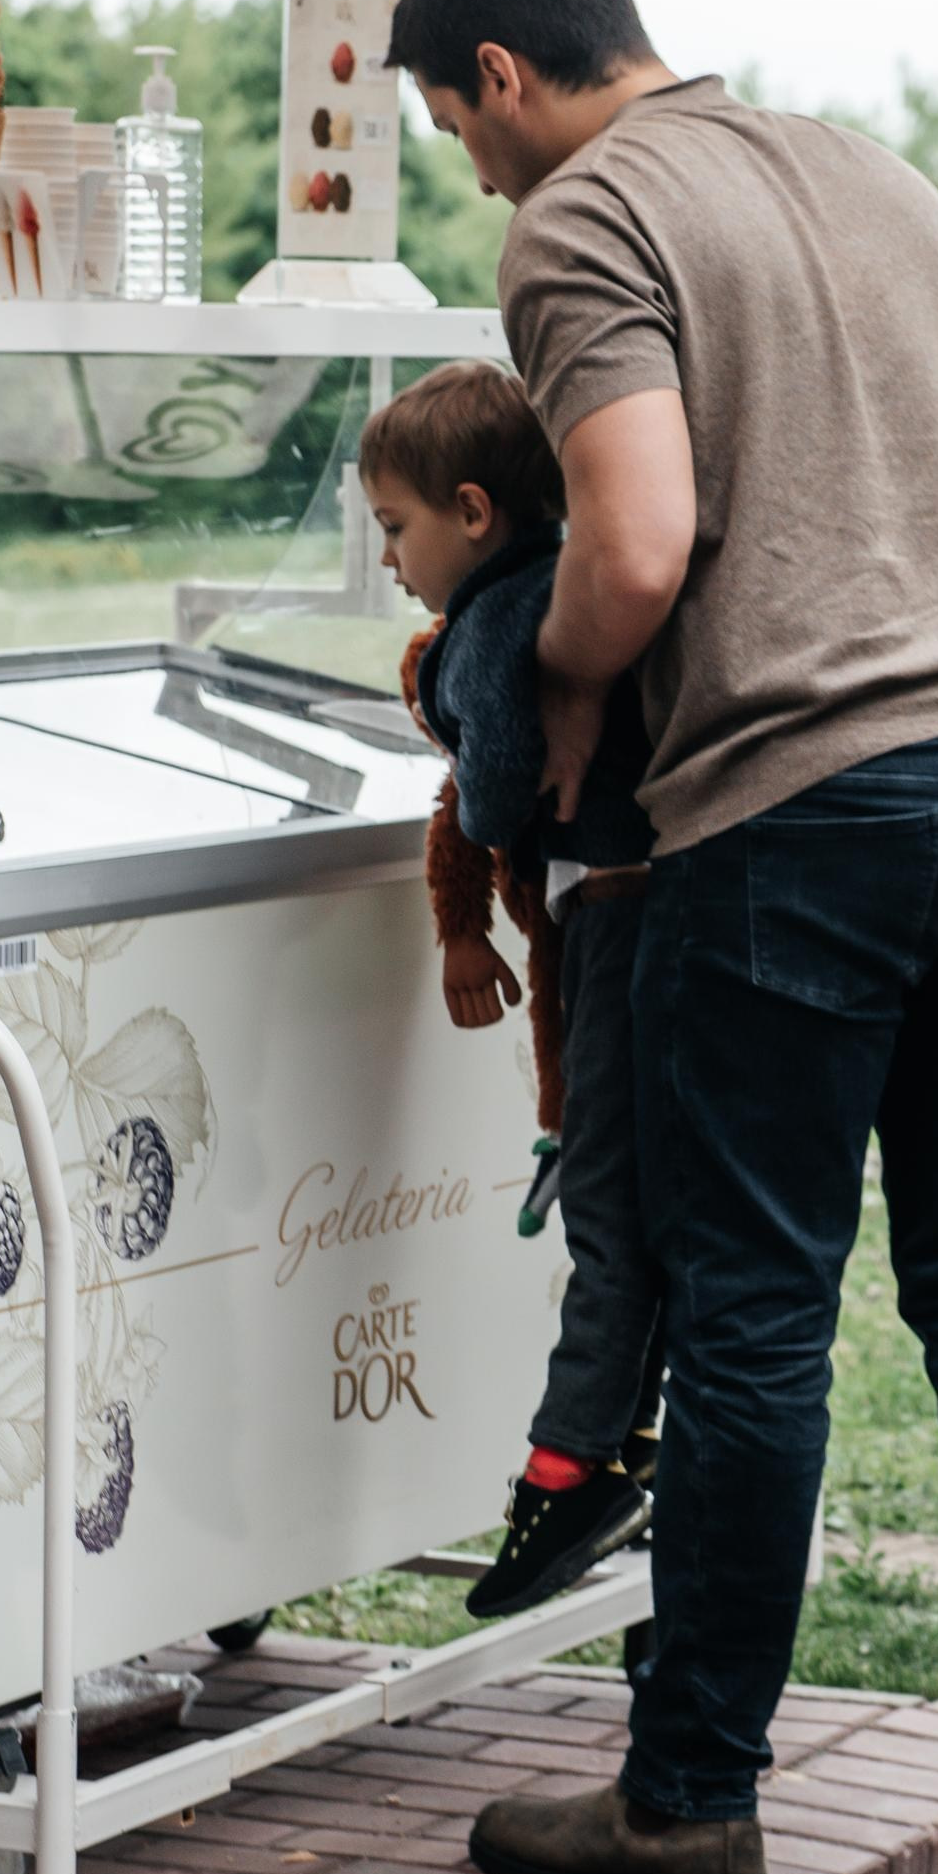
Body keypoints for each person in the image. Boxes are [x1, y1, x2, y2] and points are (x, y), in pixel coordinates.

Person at [385, 0, 938, 1874]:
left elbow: (634, 545)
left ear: (501, 75)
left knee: (752, 1307)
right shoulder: (876, 171)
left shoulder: (584, 216)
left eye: (456, 127)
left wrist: (553, 689)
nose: (478, 173)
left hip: (809, 801)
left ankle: (690, 1797)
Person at [359, 362, 662, 1618]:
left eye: (394, 528)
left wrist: (485, 834)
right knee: (653, 1193)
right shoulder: (575, 575)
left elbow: (493, 774)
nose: (389, 560)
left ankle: (570, 1463)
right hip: (672, 895)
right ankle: (628, 1435)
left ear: (473, 512)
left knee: (605, 1196)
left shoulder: (489, 620)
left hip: (611, 912)